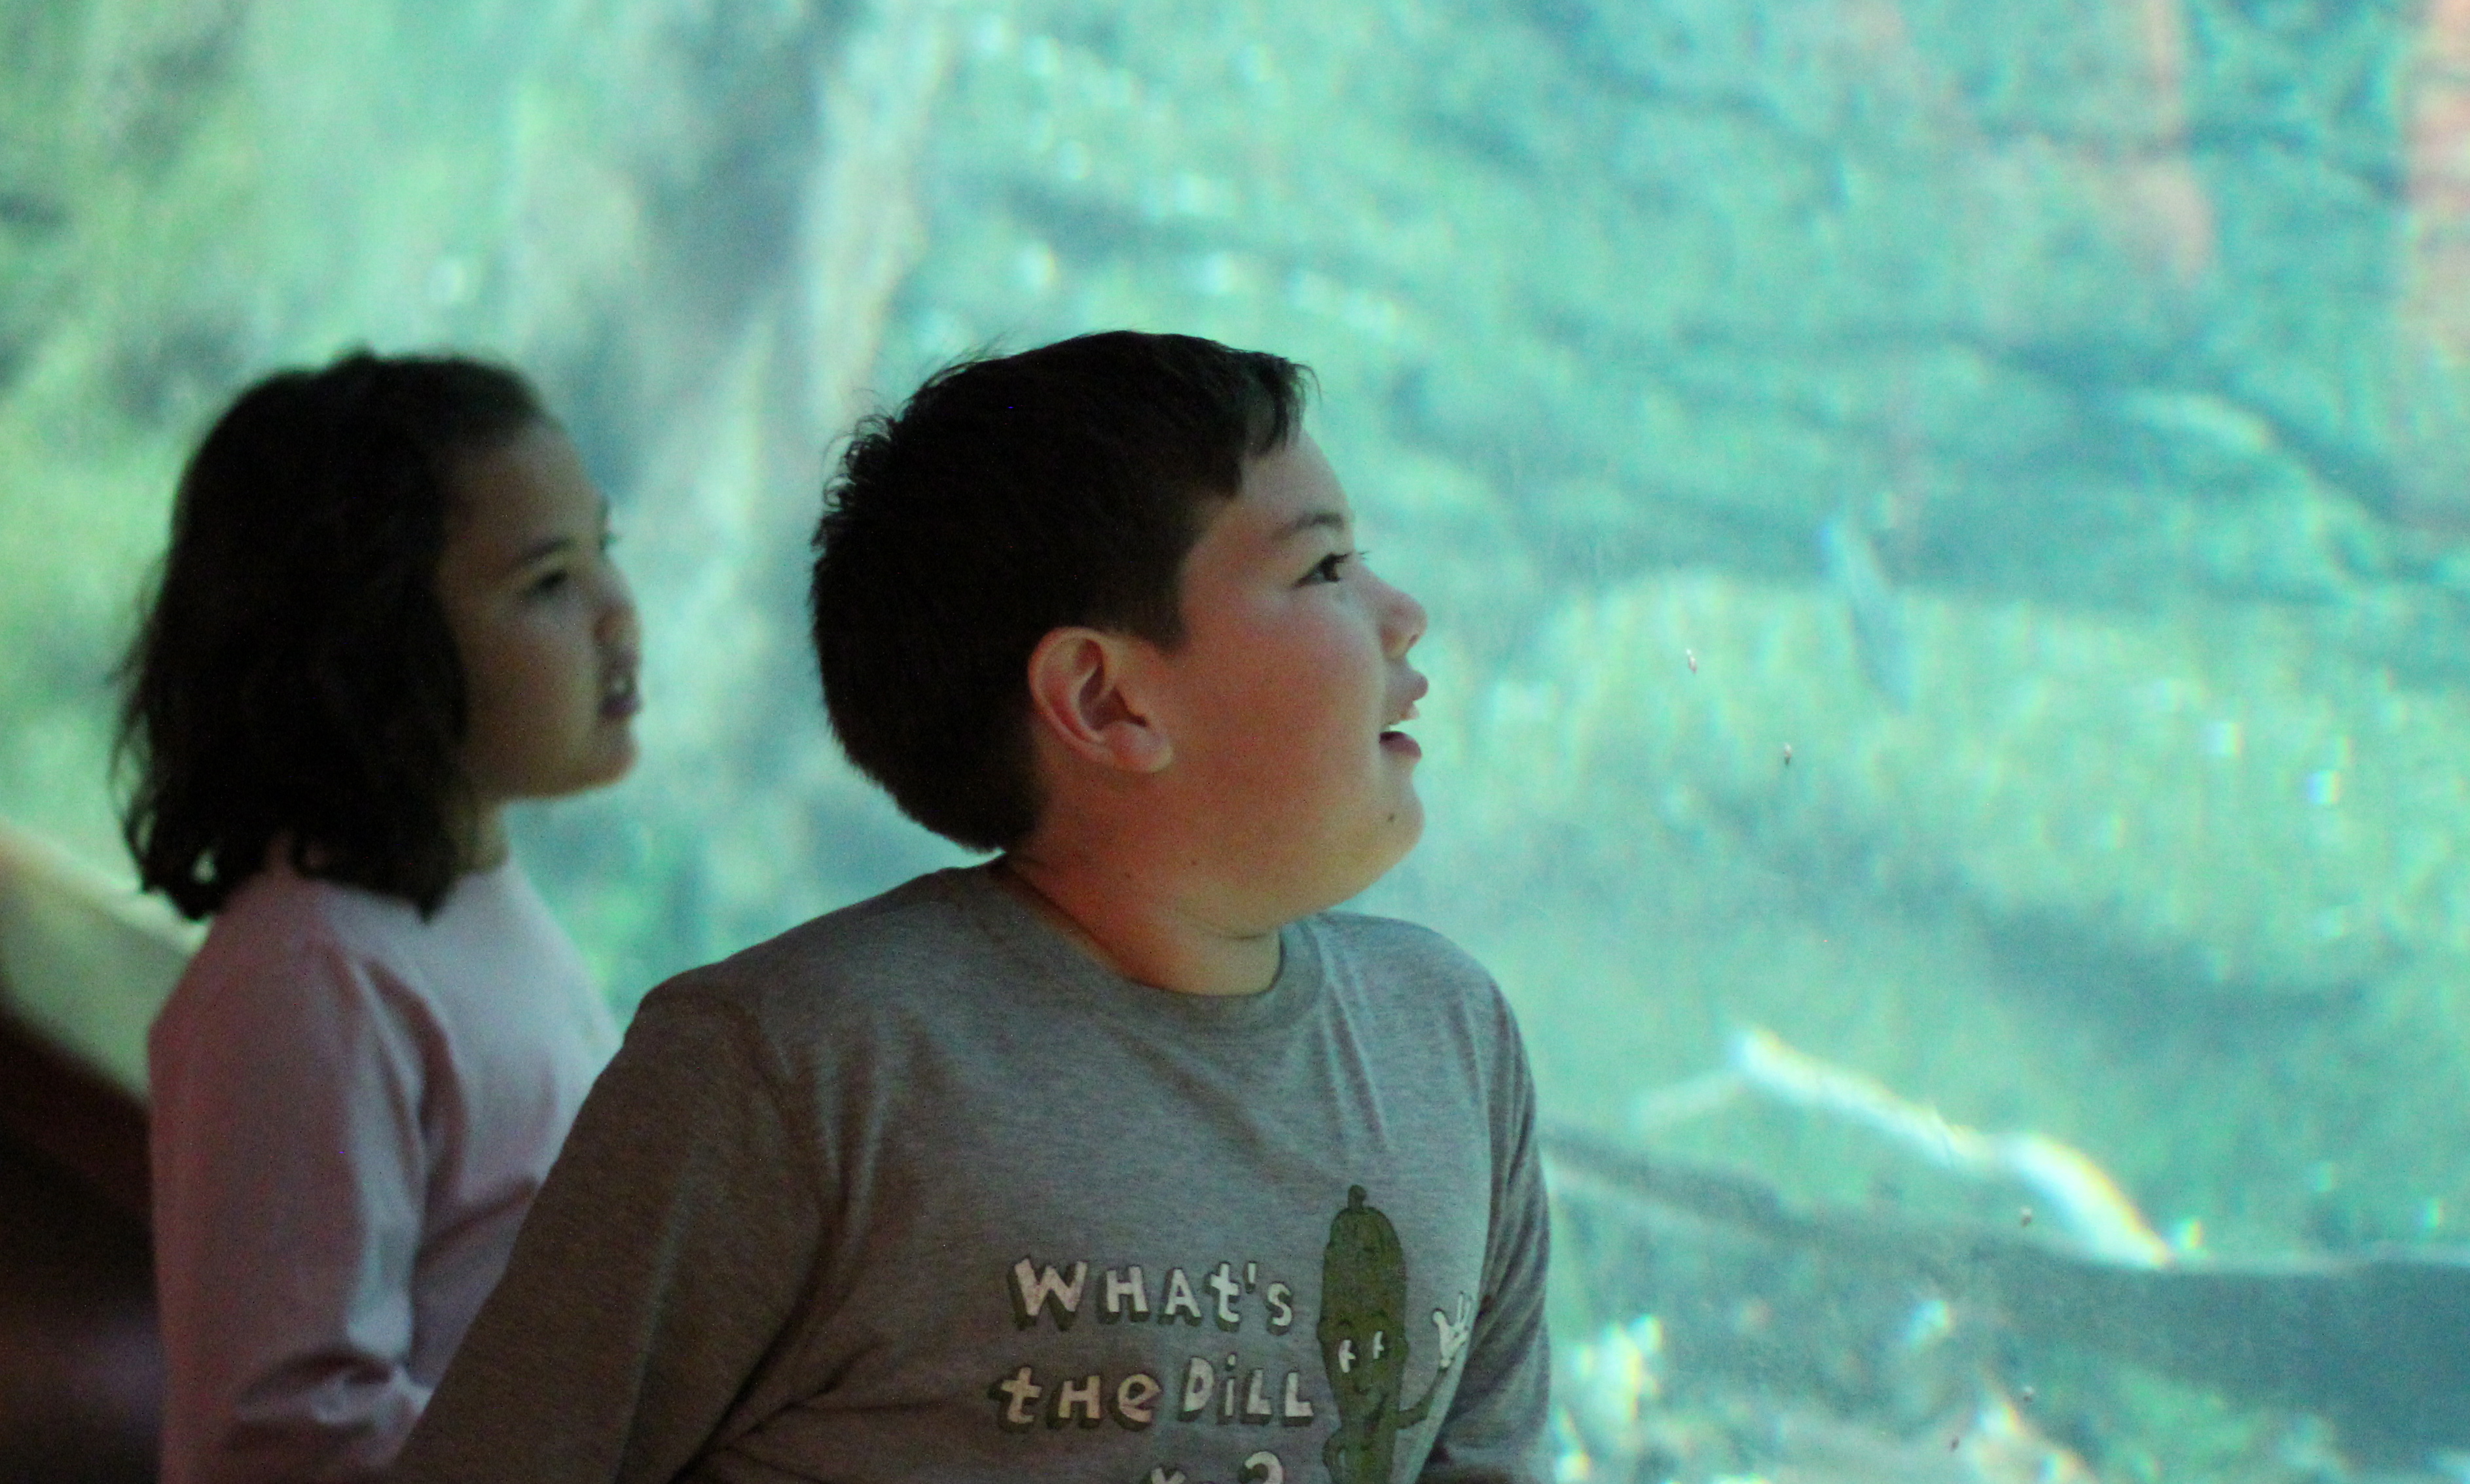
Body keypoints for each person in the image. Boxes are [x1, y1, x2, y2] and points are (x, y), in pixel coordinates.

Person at [391, 331, 1550, 1483]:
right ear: (1103, 700)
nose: (1402, 612)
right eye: (1324, 568)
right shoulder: (791, 1074)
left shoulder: (1451, 1042)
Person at [120, 352, 642, 1484]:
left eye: (605, 549)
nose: (617, 612)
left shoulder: (468, 903)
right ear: (374, 648)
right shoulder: (311, 976)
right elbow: (280, 1432)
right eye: (549, 581)